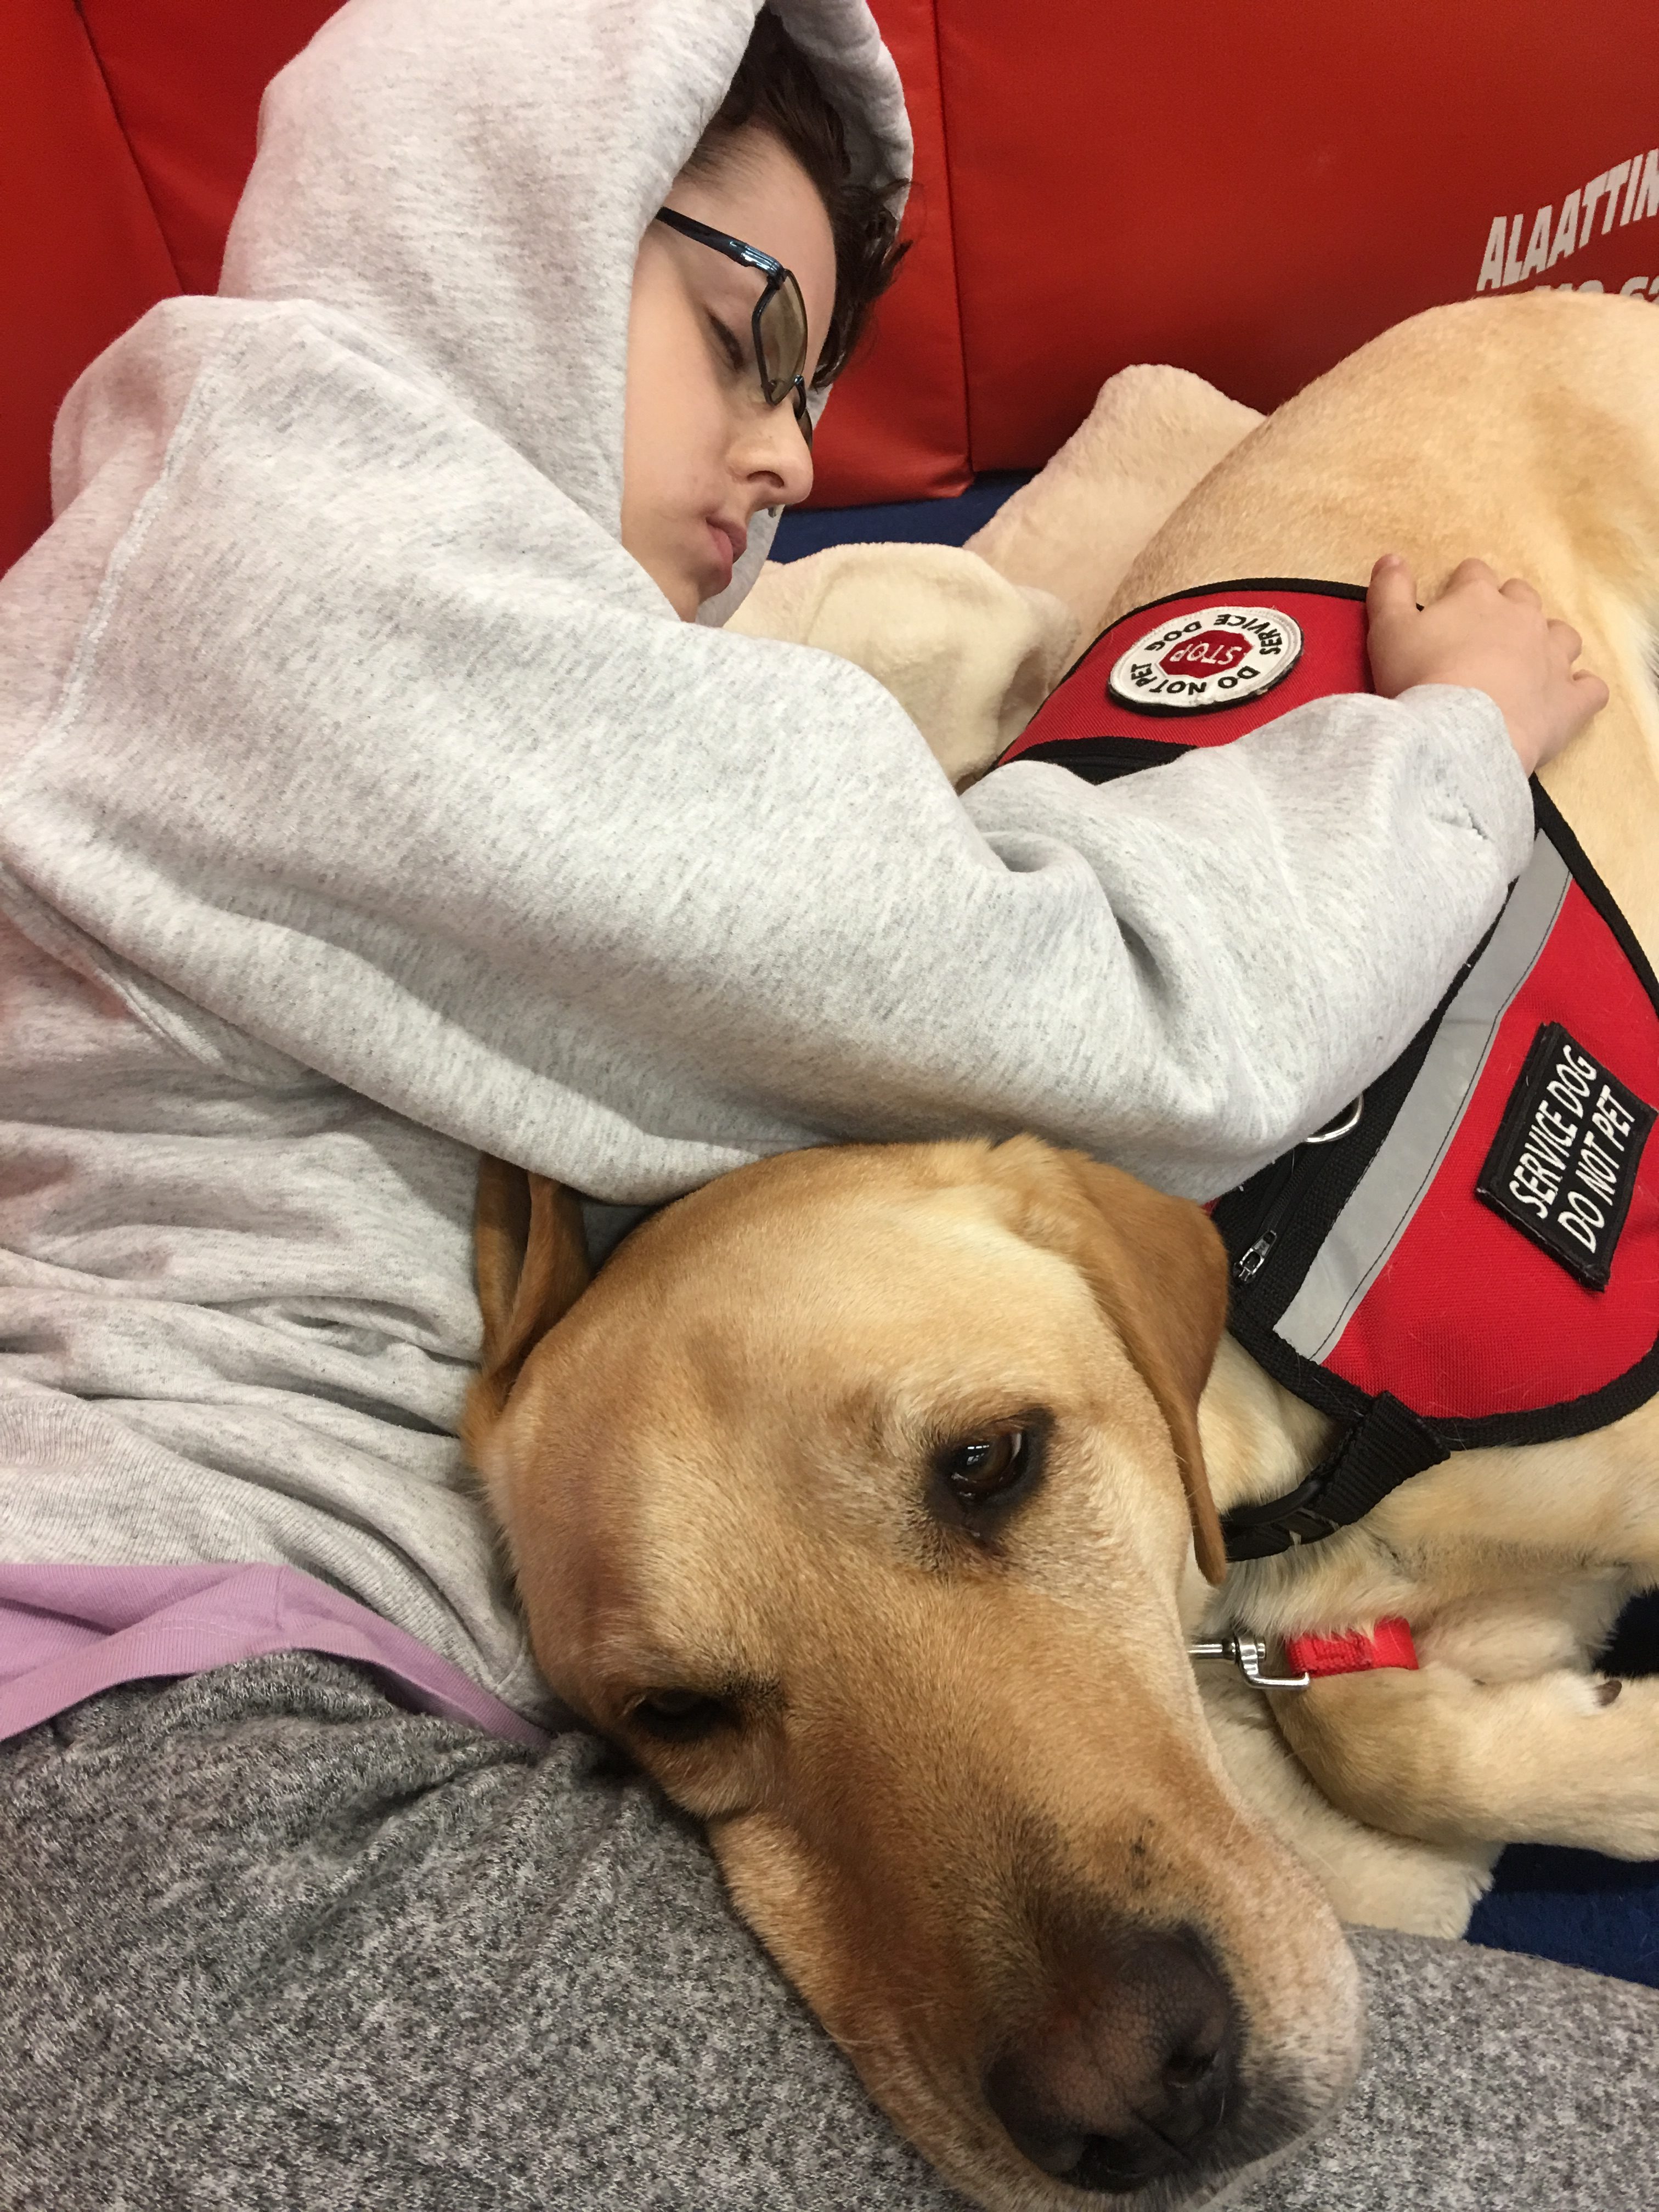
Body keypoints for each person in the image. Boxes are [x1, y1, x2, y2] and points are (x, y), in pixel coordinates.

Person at [0, 1, 1651, 2205]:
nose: (788, 447)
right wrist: (1438, 751)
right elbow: (1102, 1003)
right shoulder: (309, 585)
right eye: (739, 324)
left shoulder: (215, 629)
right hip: (157, 1822)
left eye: (815, 382)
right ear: (487, 220)